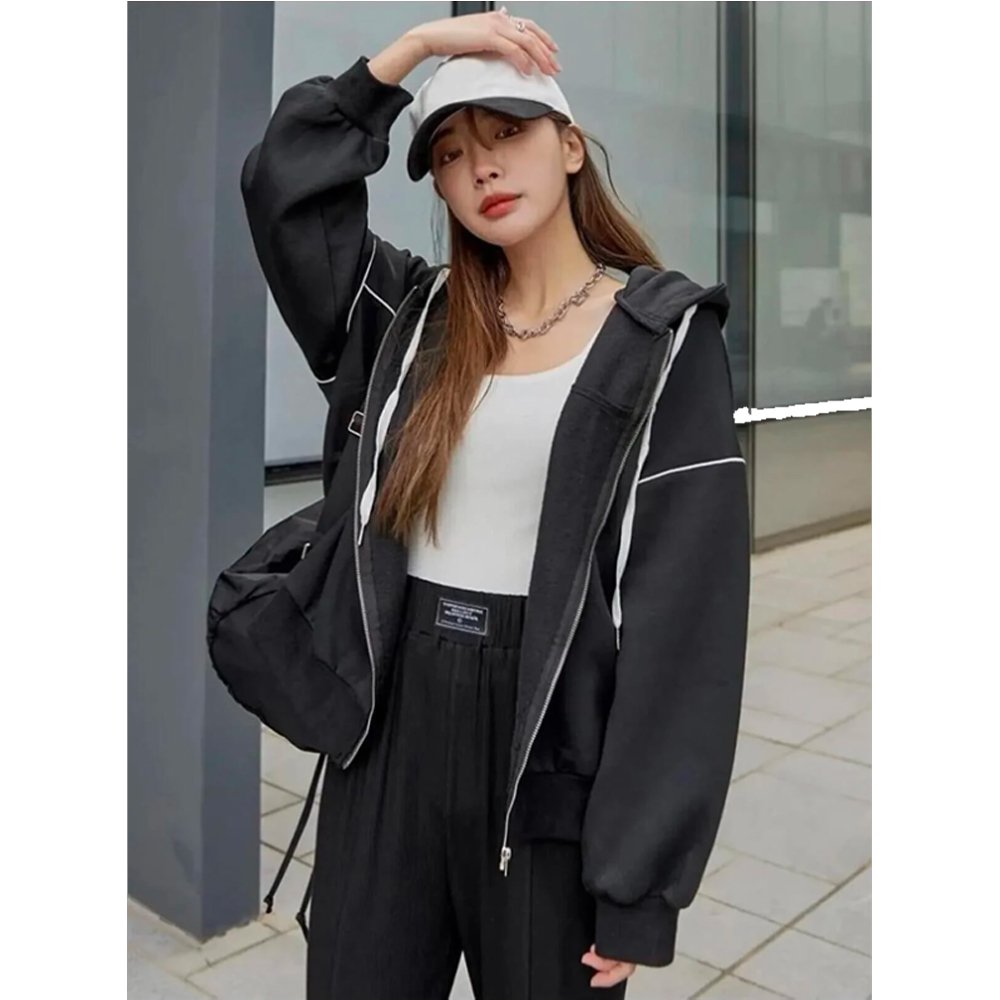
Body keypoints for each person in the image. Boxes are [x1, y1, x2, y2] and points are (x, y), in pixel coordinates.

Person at [239, 9, 751, 999]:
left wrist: (638, 884)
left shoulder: (661, 343)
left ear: (570, 146)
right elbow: (285, 188)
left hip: (545, 747)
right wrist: (413, 53)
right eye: (450, 153)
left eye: (507, 132)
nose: (481, 168)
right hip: (389, 725)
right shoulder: (412, 319)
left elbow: (685, 627)